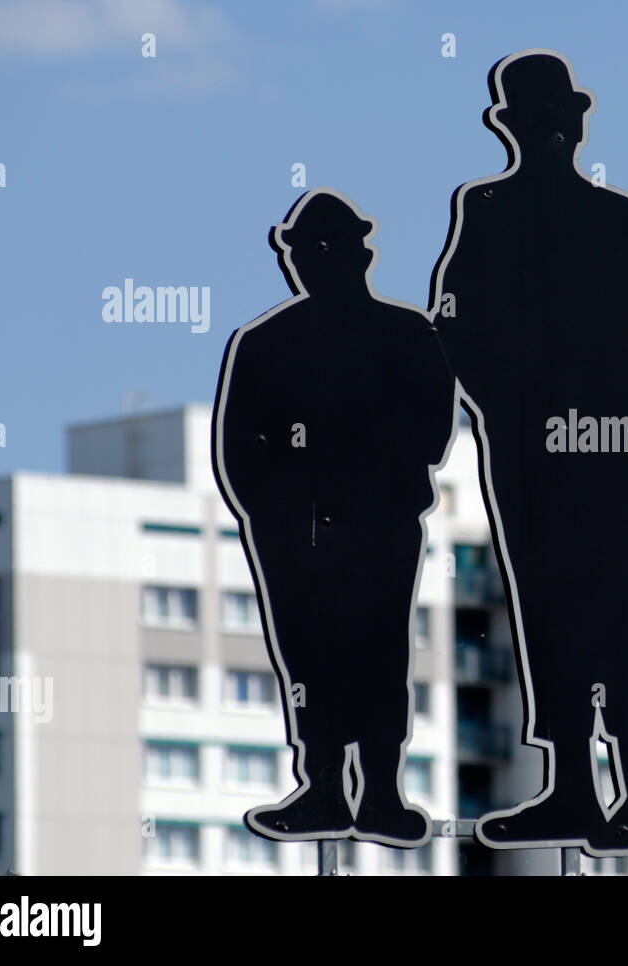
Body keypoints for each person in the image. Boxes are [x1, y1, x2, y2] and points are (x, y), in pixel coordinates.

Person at [432, 49, 628, 856]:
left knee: (610, 607)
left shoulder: (621, 219)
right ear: (520, 128)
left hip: (605, 452)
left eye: (557, 122)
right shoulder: (488, 210)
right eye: (540, 122)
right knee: (551, 611)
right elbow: (455, 327)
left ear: (572, 129)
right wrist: (509, 404)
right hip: (539, 449)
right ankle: (576, 787)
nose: (551, 135)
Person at [212, 188, 456, 848]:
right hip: (296, 535)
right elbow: (240, 452)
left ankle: (379, 790)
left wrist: (364, 470)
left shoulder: (408, 334)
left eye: (327, 249)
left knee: (379, 655)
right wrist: (277, 517)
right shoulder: (265, 344)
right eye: (304, 252)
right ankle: (322, 784)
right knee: (308, 661)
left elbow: (432, 430)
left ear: (358, 255)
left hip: (378, 528)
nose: (314, 262)